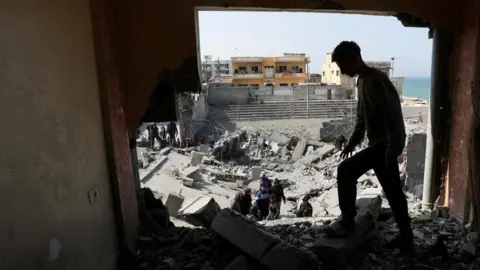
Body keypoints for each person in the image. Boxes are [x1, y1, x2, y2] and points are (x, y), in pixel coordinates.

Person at [324, 41, 413, 253]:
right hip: (378, 147)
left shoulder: (378, 80)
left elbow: (394, 116)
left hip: (384, 147)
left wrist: (394, 149)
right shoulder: (361, 82)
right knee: (394, 193)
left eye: (343, 65)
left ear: (355, 59)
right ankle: (407, 240)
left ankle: (348, 221)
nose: (343, 71)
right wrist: (352, 143)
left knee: (345, 171)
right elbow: (361, 119)